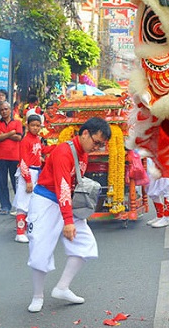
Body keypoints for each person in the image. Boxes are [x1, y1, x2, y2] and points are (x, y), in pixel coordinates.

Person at [26, 117, 111, 313]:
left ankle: (62, 287)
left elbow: (71, 187)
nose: (96, 147)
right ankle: (37, 295)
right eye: (96, 142)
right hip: (46, 201)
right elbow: (62, 186)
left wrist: (71, 217)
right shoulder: (64, 151)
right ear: (85, 133)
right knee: (39, 249)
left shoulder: (84, 152)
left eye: (100, 145)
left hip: (65, 202)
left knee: (86, 245)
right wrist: (68, 221)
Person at [14, 114, 44, 243]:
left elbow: (39, 153)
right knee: (23, 203)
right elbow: (23, 162)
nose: (35, 128)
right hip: (28, 172)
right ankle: (20, 232)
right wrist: (27, 180)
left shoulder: (37, 139)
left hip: (36, 171)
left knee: (32, 203)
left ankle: (28, 230)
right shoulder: (25, 141)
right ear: (27, 126)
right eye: (33, 125)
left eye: (38, 125)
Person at [0, 101, 23, 213]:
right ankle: (5, 206)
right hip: (0, 156)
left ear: (10, 110)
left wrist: (3, 134)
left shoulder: (18, 122)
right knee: (1, 182)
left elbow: (19, 137)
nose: (4, 111)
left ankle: (19, 205)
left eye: (6, 109)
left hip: (14, 156)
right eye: (2, 110)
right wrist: (11, 133)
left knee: (17, 183)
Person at [145, 157, 169, 228]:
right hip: (151, 158)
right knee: (151, 188)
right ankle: (160, 215)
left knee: (167, 186)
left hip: (164, 158)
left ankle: (166, 217)